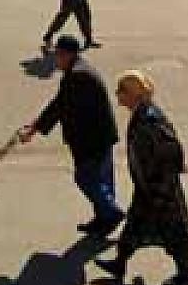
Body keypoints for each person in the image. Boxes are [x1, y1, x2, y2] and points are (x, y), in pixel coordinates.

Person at [95, 71, 188, 285]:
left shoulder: (150, 119)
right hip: (147, 187)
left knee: (174, 231)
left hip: (160, 189)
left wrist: (167, 175)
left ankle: (186, 275)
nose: (117, 95)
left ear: (133, 93)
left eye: (121, 91)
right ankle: (120, 263)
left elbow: (171, 147)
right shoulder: (142, 113)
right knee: (134, 225)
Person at [20, 36, 124, 236]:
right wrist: (35, 125)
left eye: (58, 55)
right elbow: (60, 102)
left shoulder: (78, 76)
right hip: (99, 136)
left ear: (68, 55)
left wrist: (34, 129)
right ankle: (103, 219)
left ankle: (111, 212)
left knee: (86, 178)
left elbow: (60, 106)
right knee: (101, 180)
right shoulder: (77, 70)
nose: (55, 60)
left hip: (91, 139)